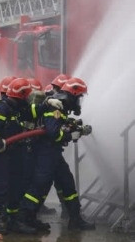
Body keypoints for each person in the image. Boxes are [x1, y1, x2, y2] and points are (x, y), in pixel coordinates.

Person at [12, 77, 95, 233]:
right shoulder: (58, 106)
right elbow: (52, 133)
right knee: (39, 185)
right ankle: (23, 219)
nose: (80, 100)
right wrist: (71, 136)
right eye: (80, 96)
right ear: (74, 93)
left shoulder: (60, 104)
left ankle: (75, 219)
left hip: (53, 152)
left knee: (67, 183)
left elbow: (56, 127)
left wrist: (73, 128)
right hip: (46, 152)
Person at [0, 77, 33, 234]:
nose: (29, 98)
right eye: (27, 95)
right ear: (21, 95)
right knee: (0, 188)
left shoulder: (18, 109)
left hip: (15, 154)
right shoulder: (2, 109)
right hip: (0, 156)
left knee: (16, 187)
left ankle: (12, 221)